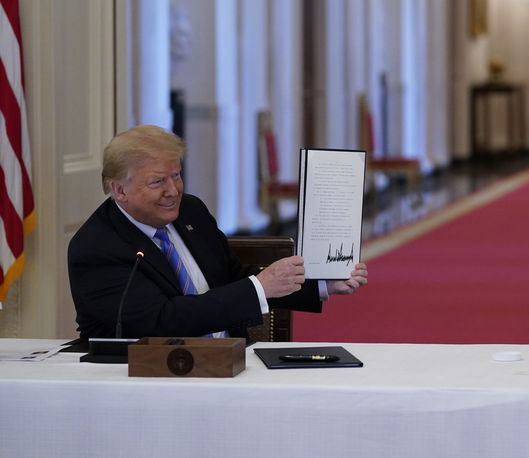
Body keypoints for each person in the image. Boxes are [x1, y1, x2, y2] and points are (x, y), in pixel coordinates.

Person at [68, 125, 368, 339]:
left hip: (231, 361)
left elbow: (232, 277)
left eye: (176, 175)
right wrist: (260, 287)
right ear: (120, 190)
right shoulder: (97, 248)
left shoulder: (190, 212)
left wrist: (322, 284)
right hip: (155, 380)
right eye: (158, 182)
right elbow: (162, 320)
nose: (173, 191)